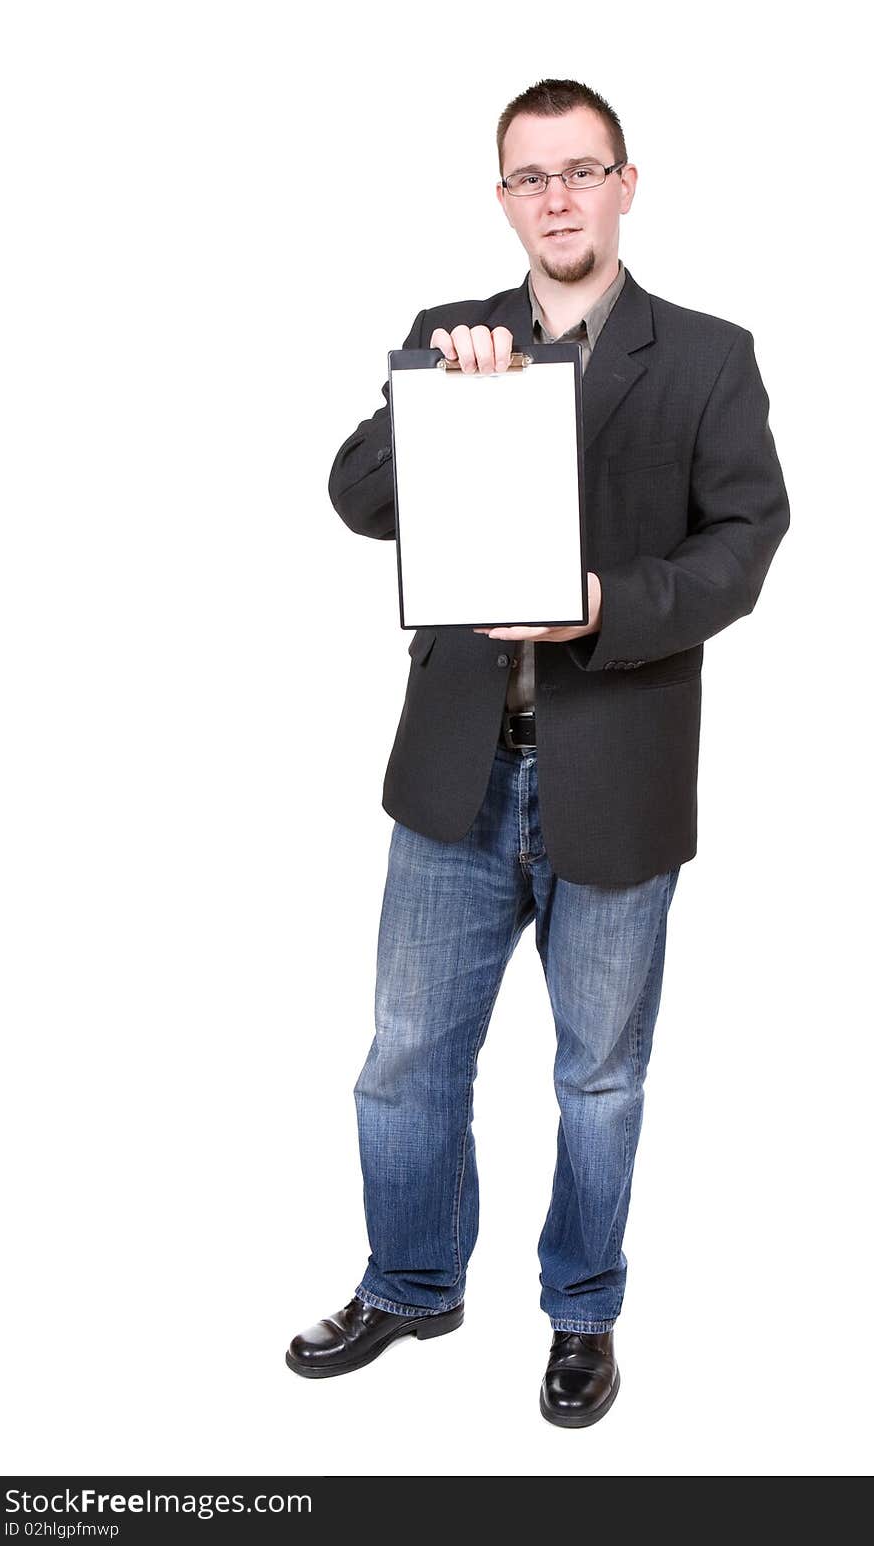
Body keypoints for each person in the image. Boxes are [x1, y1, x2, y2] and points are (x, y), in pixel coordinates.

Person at [285, 78, 790, 1428]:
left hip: (615, 769)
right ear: (505, 197)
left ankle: (582, 1316)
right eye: (531, 177)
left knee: (600, 1076)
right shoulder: (453, 340)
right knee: (403, 1055)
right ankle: (411, 1278)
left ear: (628, 183)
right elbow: (354, 496)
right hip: (458, 772)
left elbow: (742, 549)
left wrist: (603, 606)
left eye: (581, 171)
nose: (557, 198)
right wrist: (430, 397)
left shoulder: (705, 357)